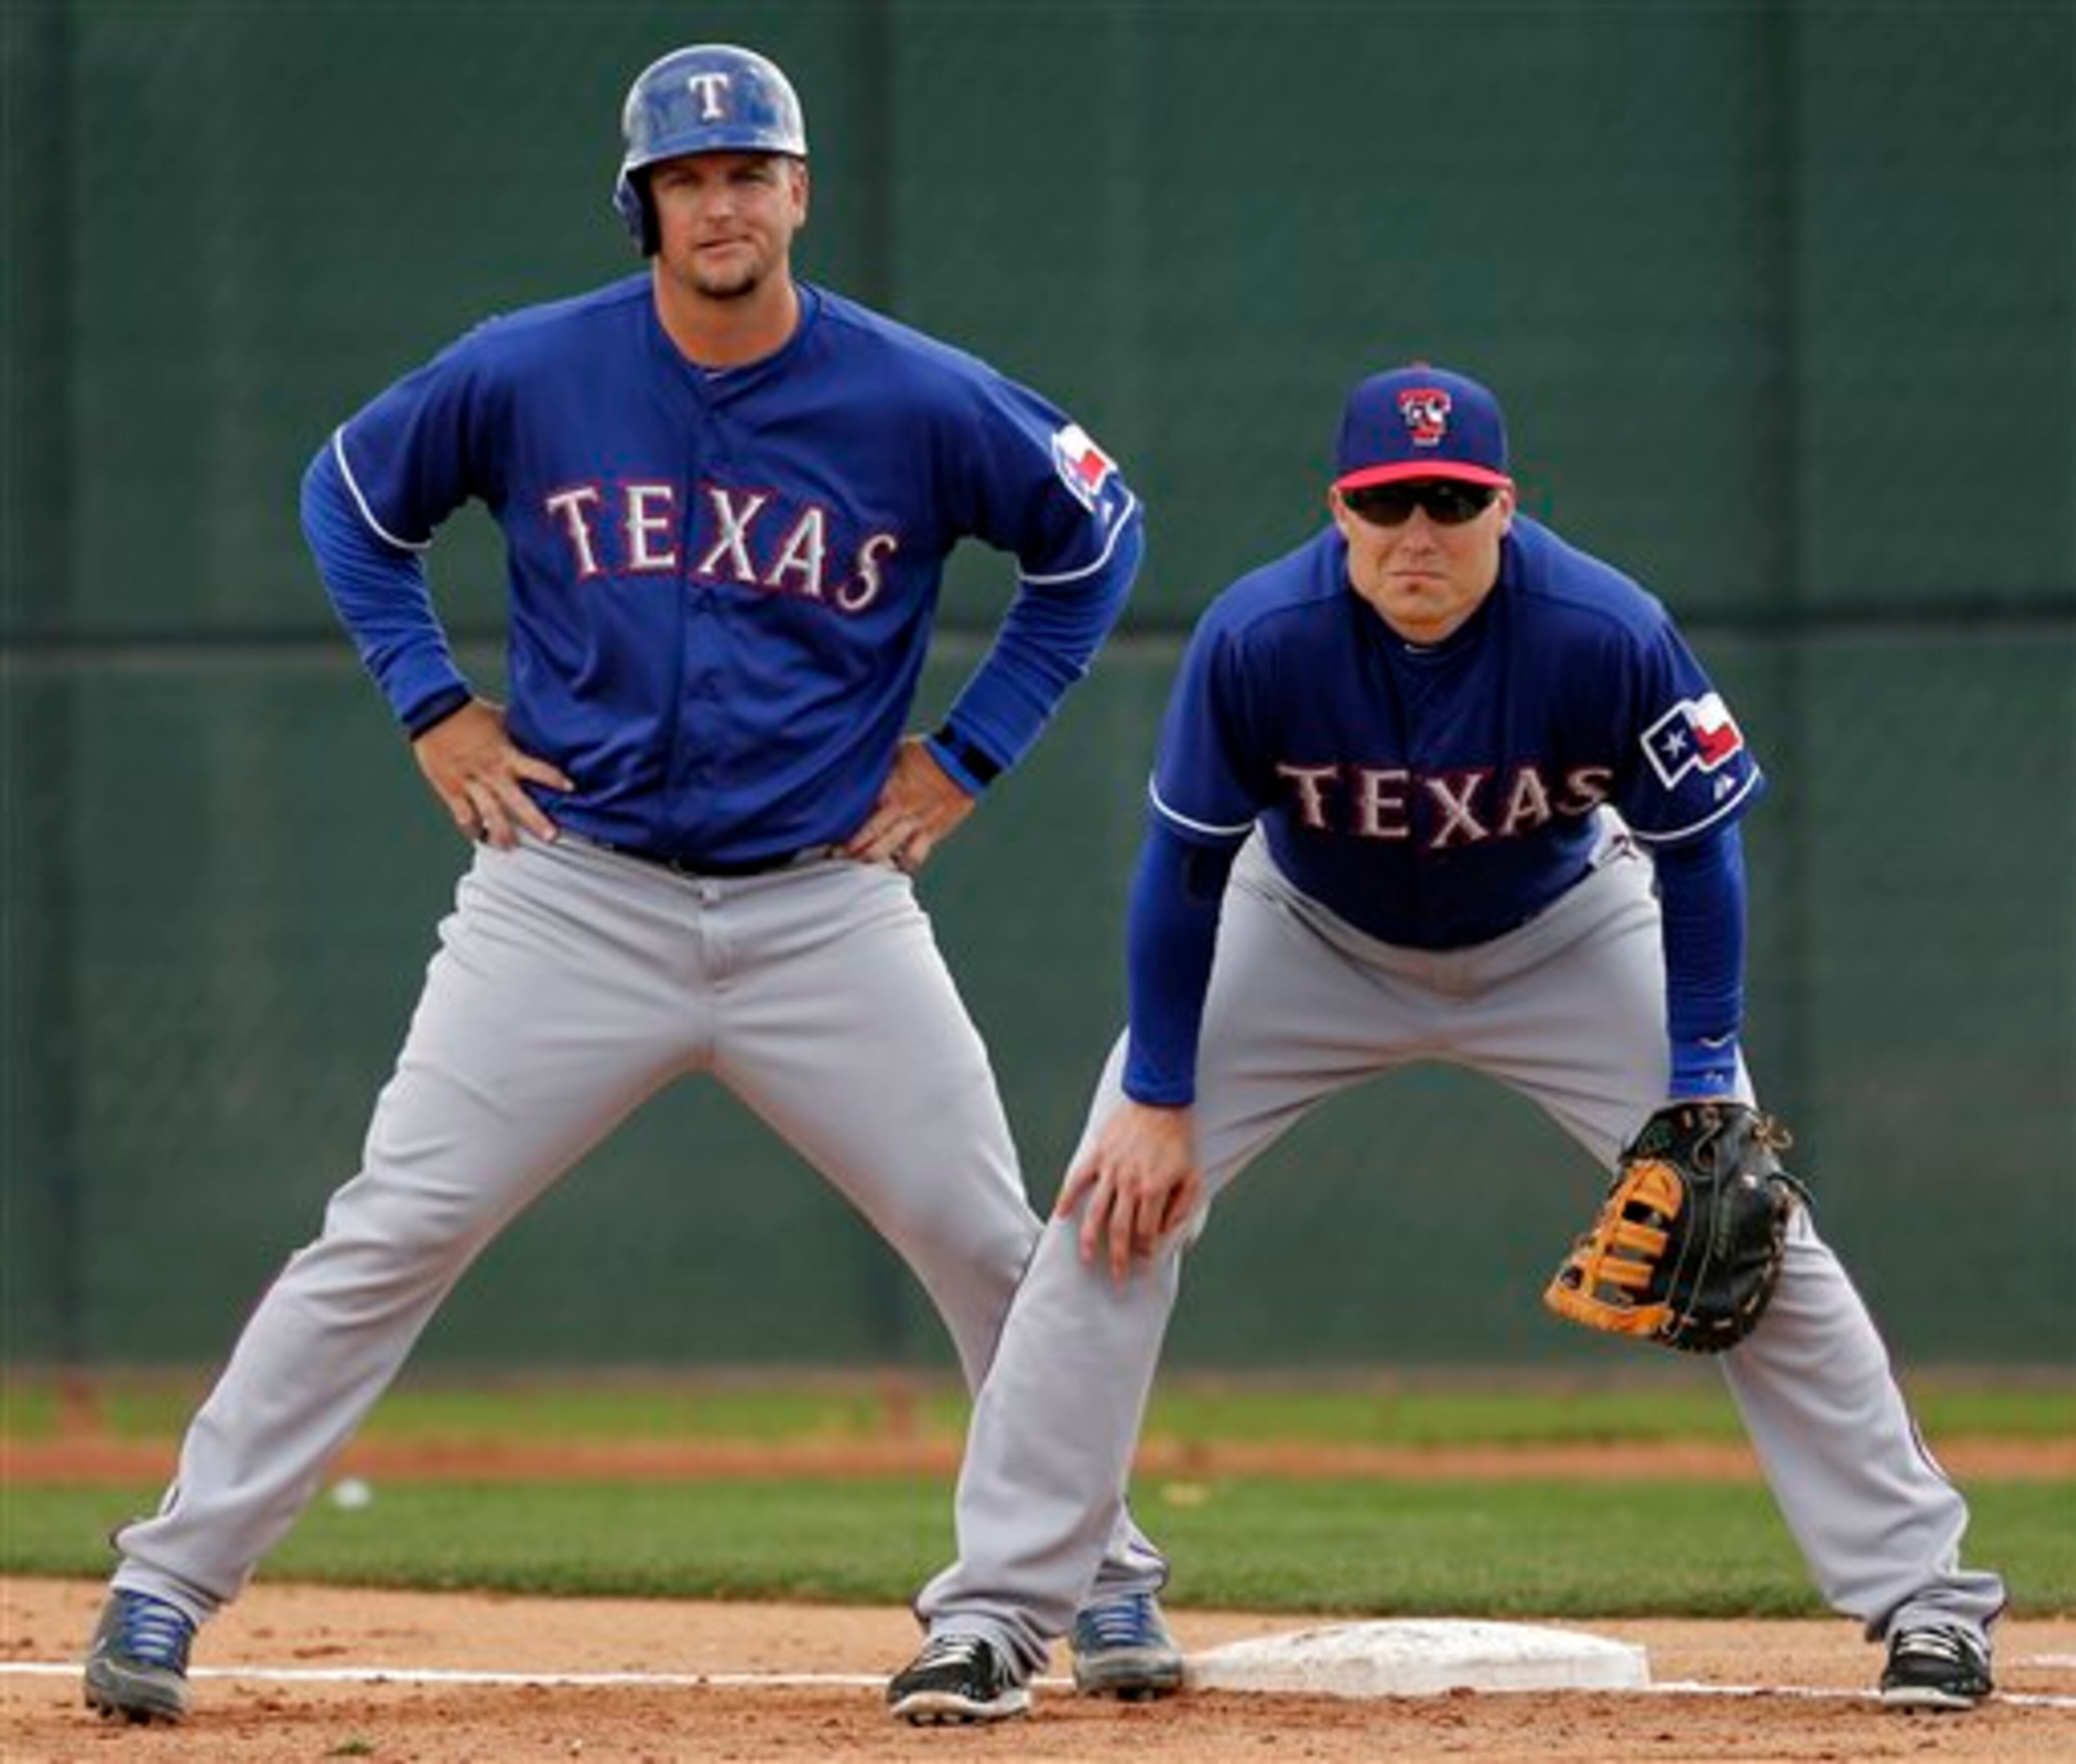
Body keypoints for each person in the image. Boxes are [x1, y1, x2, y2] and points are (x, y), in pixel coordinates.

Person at [80, 43, 1180, 1726]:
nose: (721, 201)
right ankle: (165, 1584)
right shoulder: (533, 373)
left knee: (986, 1239)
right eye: (688, 178)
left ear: (799, 193)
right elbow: (348, 499)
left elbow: (1096, 536)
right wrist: (432, 704)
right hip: (569, 895)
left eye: (749, 172)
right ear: (644, 206)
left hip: (823, 905)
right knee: (399, 1224)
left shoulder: (913, 394)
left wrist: (972, 753)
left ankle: (1095, 1575)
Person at [884, 363, 2007, 1723]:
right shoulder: (1260, 636)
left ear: (1505, 507)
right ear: (1340, 512)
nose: (1420, 532)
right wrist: (1161, 1094)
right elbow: (1183, 875)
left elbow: (1699, 854)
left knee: (1749, 1225)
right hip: (1303, 935)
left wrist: (1703, 1084)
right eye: (1388, 502)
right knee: (1111, 1210)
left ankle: (1929, 1608)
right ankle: (999, 1615)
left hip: (1568, 935)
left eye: (1452, 502)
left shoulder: (1605, 628)